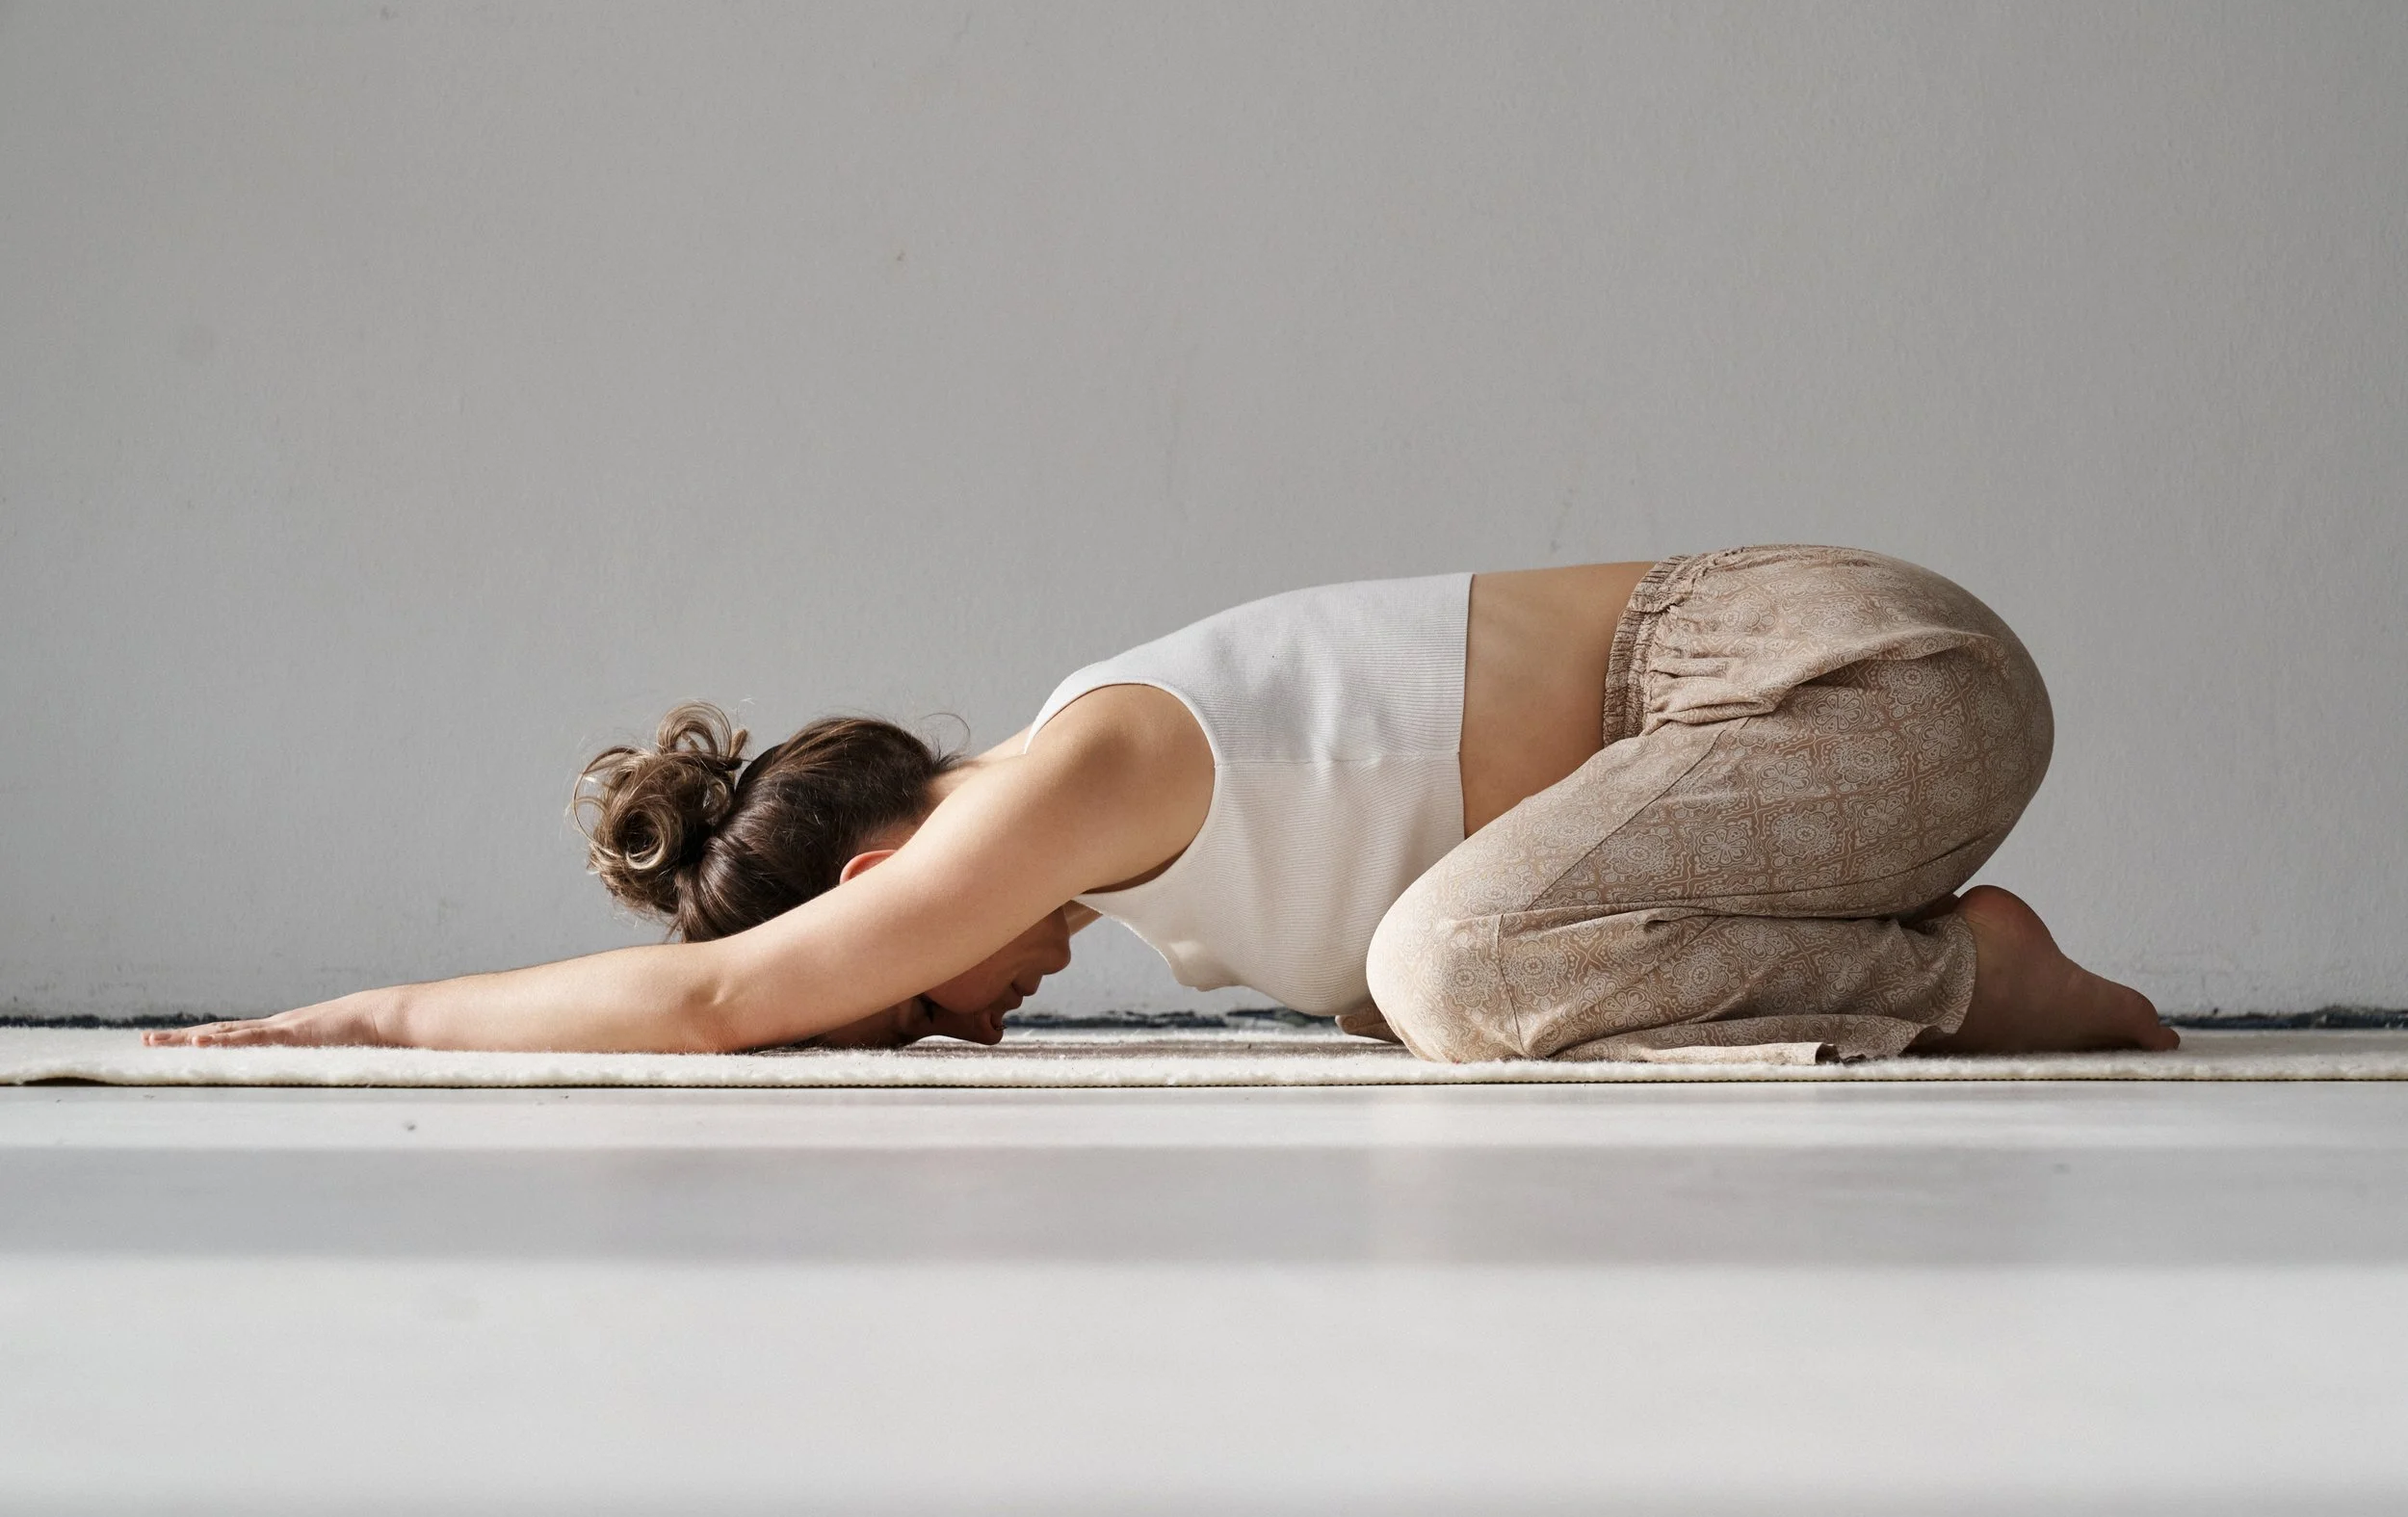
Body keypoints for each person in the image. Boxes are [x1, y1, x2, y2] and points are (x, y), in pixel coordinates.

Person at [147, 546, 2176, 1059]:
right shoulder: (1120, 832)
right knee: (1407, 990)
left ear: (883, 874)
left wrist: (368, 1018)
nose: (978, 1004)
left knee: (1443, 968)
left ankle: (1974, 980)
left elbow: (706, 1008)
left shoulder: (1075, 767)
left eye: (913, 986)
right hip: (1791, 724)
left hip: (1855, 681)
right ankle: (1948, 965)